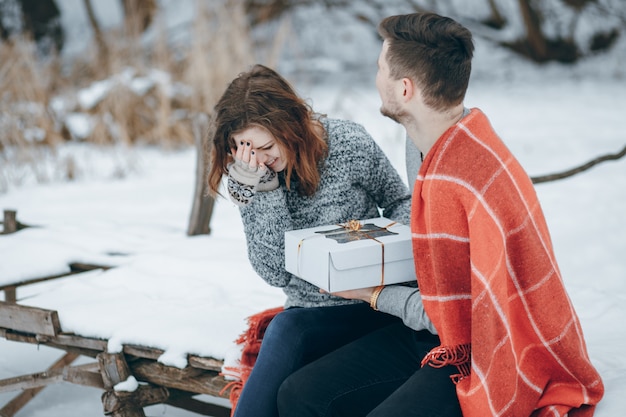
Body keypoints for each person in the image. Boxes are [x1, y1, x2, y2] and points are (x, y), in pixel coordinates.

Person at [277, 12, 604, 417]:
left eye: (381, 67)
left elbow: (459, 318)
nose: (376, 76)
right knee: (300, 394)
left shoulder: (460, 179)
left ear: (405, 88)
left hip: (482, 351)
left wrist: (372, 294)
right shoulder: (429, 142)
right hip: (434, 331)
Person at [206, 64, 435, 417]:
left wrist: (382, 245)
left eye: (266, 146)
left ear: (291, 125)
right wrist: (263, 193)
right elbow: (274, 274)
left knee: (290, 358)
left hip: (375, 301)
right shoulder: (249, 176)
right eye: (247, 150)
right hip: (313, 314)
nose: (260, 160)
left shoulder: (348, 143)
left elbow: (400, 201)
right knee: (287, 331)